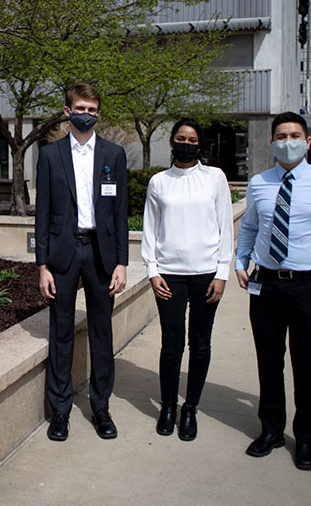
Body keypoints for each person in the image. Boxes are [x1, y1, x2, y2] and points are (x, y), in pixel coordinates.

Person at [234, 111, 311, 471]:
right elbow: (250, 228)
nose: (287, 142)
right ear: (271, 141)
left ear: (307, 142)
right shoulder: (259, 183)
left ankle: (305, 437)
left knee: (307, 366)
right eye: (281, 136)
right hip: (267, 285)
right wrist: (241, 262)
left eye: (294, 135)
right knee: (268, 363)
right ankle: (271, 429)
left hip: (308, 286)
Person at [35, 83, 129, 441]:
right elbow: (41, 213)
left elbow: (120, 213)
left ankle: (100, 407)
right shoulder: (50, 155)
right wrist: (42, 265)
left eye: (91, 109)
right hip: (63, 252)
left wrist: (122, 262)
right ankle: (60, 411)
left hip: (102, 254)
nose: (85, 114)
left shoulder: (114, 154)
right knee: (61, 333)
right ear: (66, 110)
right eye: (80, 107)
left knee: (102, 333)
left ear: (98, 113)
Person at [141, 119, 233, 440]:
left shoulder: (215, 178)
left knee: (201, 343)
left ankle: (189, 407)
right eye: (180, 138)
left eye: (192, 139)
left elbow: (225, 227)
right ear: (171, 143)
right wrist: (152, 271)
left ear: (200, 144)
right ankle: (168, 406)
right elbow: (150, 230)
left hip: (207, 275)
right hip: (169, 277)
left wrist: (222, 273)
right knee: (171, 344)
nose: (186, 143)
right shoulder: (159, 182)